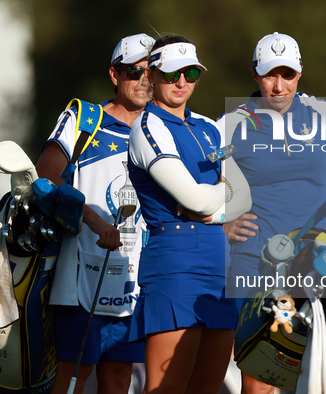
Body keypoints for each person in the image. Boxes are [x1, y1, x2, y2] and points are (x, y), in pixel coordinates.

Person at [220, 32, 326, 394]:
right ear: (255, 75)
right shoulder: (232, 124)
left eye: (287, 74)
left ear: (300, 74)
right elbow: (197, 190)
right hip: (257, 262)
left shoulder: (322, 114)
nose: (279, 85)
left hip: (317, 260)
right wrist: (222, 223)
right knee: (262, 381)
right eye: (271, 74)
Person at [126, 34, 251, 394]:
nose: (182, 82)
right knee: (166, 388)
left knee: (208, 388)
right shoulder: (146, 127)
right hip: (175, 266)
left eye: (191, 73)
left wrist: (210, 210)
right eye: (172, 73)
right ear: (151, 75)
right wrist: (219, 197)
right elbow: (193, 198)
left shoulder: (209, 127)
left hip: (219, 264)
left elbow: (244, 197)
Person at [36, 33, 155, 394]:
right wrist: (94, 220)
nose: (144, 80)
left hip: (136, 277)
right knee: (72, 376)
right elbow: (46, 173)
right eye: (134, 71)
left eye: (152, 72)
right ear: (115, 75)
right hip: (82, 270)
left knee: (119, 377)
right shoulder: (85, 119)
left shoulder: (162, 130)